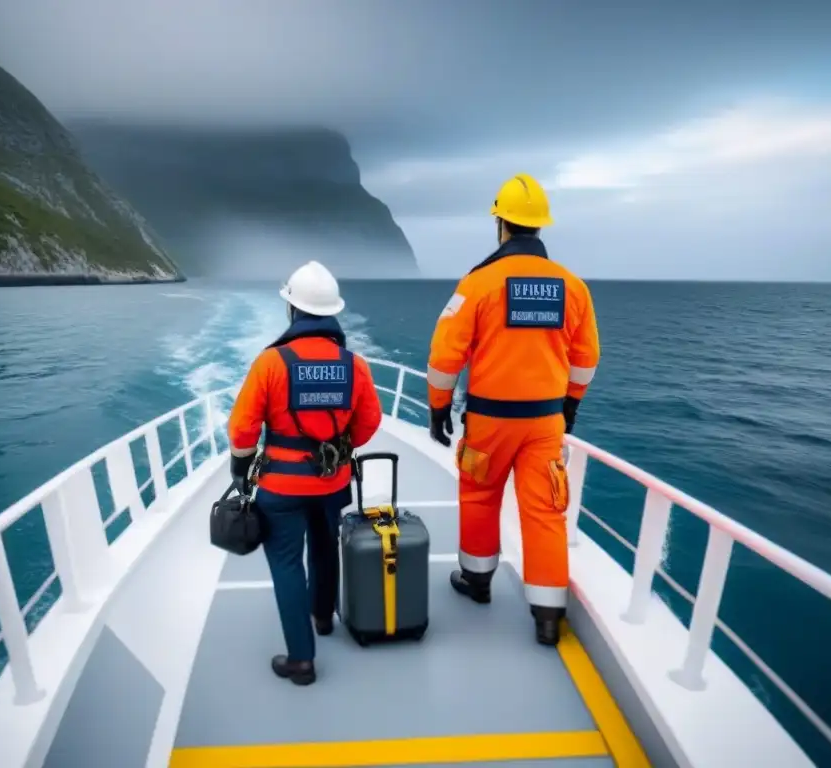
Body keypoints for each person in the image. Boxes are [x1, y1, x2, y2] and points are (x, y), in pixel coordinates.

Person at [424, 173, 601, 646]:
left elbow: (444, 359)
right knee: (545, 512)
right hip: (545, 423)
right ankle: (547, 617)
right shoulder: (573, 287)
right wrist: (570, 406)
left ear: (501, 223)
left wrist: (438, 409)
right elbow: (586, 359)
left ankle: (477, 582)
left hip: (488, 423)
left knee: (479, 496)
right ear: (540, 227)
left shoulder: (478, 283)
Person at [227, 260, 382, 685]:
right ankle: (322, 617)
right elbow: (369, 422)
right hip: (331, 482)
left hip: (280, 485)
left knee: (287, 564)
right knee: (325, 546)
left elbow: (242, 429)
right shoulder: (356, 365)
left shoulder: (270, 363)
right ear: (333, 312)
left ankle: (301, 660)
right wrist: (337, 449)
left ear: (292, 311)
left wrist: (240, 470)